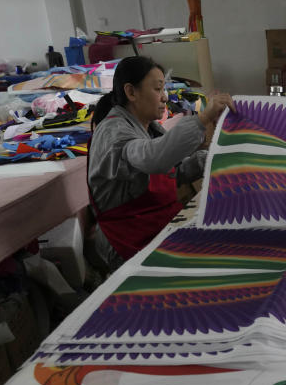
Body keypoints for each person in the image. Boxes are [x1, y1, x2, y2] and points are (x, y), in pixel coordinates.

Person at [87, 56, 235, 268]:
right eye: (158, 90)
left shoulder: (148, 128)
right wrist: (202, 119)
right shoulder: (114, 132)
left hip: (154, 225)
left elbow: (173, 172)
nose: (165, 97)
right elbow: (153, 159)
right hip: (126, 239)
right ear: (131, 92)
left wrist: (218, 158)